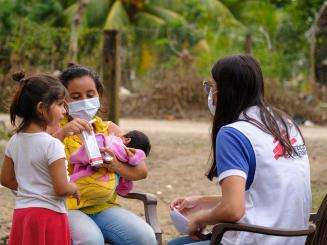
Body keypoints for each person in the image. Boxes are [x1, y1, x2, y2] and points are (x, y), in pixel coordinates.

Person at [168, 55, 311, 245]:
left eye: (212, 87)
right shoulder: (284, 123)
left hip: (257, 239)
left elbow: (233, 210)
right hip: (292, 239)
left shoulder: (234, 134)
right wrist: (201, 202)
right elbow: (265, 197)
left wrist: (200, 218)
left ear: (226, 91)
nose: (210, 94)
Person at [52, 64, 157, 245]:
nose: (84, 100)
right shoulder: (55, 130)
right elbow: (36, 160)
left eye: (90, 95)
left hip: (103, 207)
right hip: (67, 207)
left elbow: (141, 171)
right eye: (75, 97)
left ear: (99, 94)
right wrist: (63, 133)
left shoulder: (109, 129)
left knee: (145, 237)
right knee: (91, 240)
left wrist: (114, 164)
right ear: (62, 101)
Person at [0, 72, 79, 245]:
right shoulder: (53, 145)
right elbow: (61, 189)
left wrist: (31, 188)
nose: (65, 111)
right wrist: (73, 188)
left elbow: (5, 179)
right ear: (41, 108)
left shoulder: (15, 140)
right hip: (49, 217)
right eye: (60, 105)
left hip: (23, 216)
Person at [68, 129, 151, 207]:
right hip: (73, 203)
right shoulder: (117, 145)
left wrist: (118, 165)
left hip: (104, 205)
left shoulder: (109, 127)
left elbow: (142, 172)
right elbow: (136, 158)